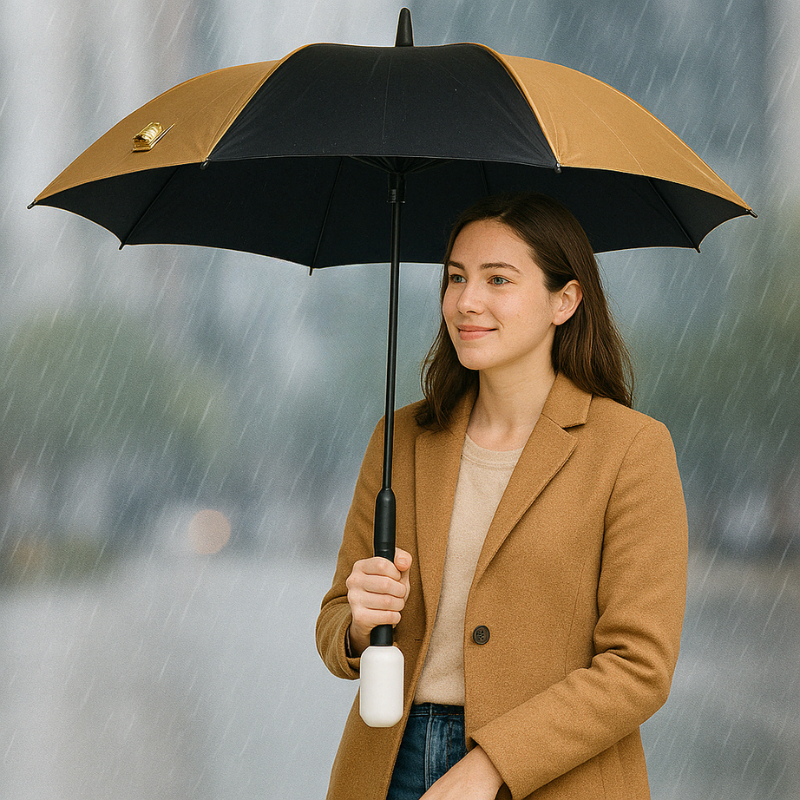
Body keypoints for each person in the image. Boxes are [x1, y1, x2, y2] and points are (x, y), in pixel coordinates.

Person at [316, 192, 688, 800]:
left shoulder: (631, 450)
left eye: (498, 280)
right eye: (456, 278)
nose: (467, 301)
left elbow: (639, 666)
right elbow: (334, 623)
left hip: (553, 775)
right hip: (388, 765)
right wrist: (359, 625)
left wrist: (491, 765)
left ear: (564, 301)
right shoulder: (401, 439)